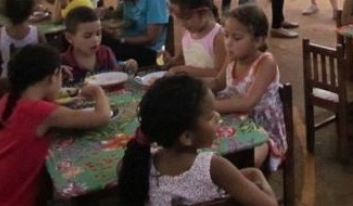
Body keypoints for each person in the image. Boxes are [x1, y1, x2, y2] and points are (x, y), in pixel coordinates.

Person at [0, 45, 111, 206]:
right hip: (14, 199)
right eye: (60, 74)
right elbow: (101, 117)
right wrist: (97, 91)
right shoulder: (39, 112)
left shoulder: (7, 101)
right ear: (53, 77)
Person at [118, 75, 277, 206]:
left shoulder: (139, 163)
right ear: (187, 137)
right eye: (210, 116)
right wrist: (258, 175)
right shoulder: (213, 166)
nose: (217, 116)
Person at [207, 5, 287, 170]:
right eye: (226, 35)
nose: (228, 43)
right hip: (233, 121)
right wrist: (188, 87)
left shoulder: (266, 62)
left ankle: (243, 181)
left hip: (262, 130)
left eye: (237, 38)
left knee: (246, 160)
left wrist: (207, 105)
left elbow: (247, 103)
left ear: (258, 40)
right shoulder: (232, 58)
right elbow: (217, 83)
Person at [102, 0, 169, 66]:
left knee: (104, 50)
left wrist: (120, 39)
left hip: (149, 51)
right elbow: (118, 13)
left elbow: (151, 39)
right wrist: (106, 13)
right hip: (128, 43)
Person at [163, 0, 226, 78]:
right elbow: (181, 59)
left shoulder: (218, 37)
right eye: (180, 19)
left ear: (203, 12)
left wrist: (186, 70)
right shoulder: (188, 33)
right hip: (192, 87)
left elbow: (219, 74)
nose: (183, 24)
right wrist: (169, 61)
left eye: (187, 18)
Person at [61, 6, 138, 84]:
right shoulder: (62, 62)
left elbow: (117, 76)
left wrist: (127, 66)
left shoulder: (105, 53)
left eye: (98, 33)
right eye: (87, 36)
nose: (95, 39)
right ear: (69, 37)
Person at [0, 0, 46, 78]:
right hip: (32, 79)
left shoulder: (0, 33)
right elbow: (46, 57)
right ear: (31, 11)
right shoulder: (37, 32)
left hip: (8, 80)